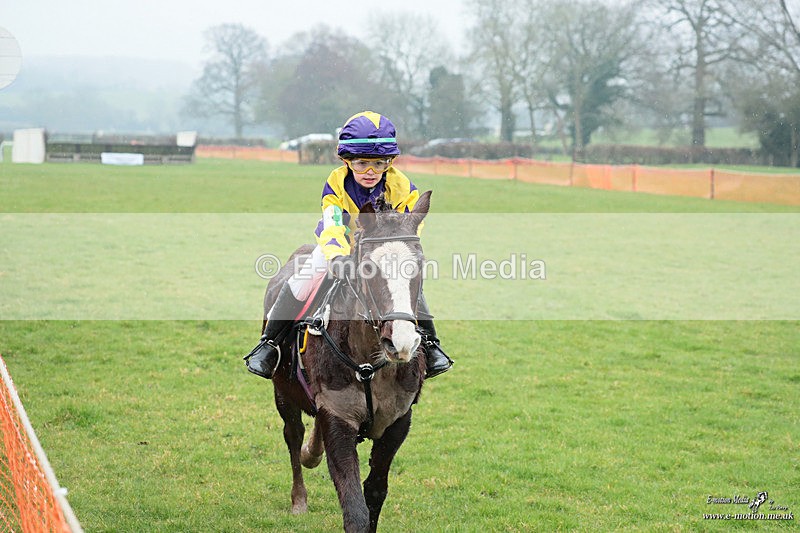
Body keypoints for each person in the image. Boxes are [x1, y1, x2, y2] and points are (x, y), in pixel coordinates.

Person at [244, 111, 453, 380]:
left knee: (404, 285)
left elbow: (411, 225)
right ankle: (269, 345)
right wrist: (338, 257)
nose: (370, 172)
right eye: (362, 163)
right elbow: (333, 224)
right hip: (339, 247)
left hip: (382, 249)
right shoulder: (336, 183)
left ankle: (432, 346)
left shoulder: (402, 186)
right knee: (302, 280)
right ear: (346, 160)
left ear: (389, 162)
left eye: (379, 164)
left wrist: (395, 249)